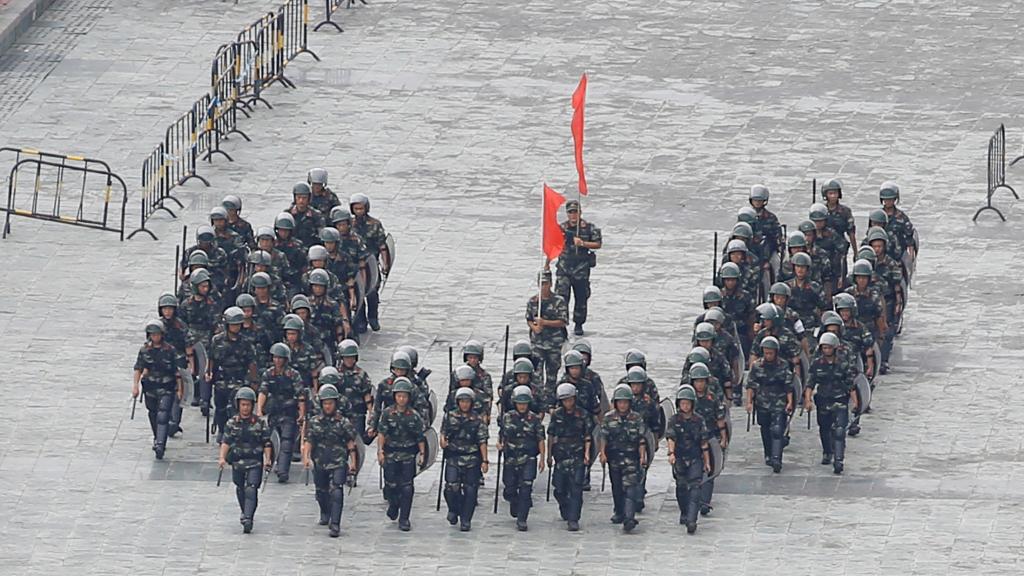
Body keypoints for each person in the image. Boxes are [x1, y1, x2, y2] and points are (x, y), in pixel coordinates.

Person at [302, 383, 359, 537]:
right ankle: (325, 512)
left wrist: (353, 463)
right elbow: (309, 440)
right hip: (320, 461)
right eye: (325, 403)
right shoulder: (314, 422)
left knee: (337, 491)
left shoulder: (343, 422)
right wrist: (306, 457)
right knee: (321, 492)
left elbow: (351, 443)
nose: (328, 406)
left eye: (331, 403)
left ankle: (335, 523)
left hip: (338, 461)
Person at [218, 387, 272, 534]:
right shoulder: (231, 423)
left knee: (251, 488)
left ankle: (249, 517)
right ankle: (244, 511)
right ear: (238, 405)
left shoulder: (260, 423)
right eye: (243, 404)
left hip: (255, 461)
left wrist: (268, 459)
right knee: (241, 488)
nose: (245, 408)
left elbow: (267, 442)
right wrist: (222, 457)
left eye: (248, 405)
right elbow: (226, 441)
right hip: (238, 462)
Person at [376, 377, 426, 531]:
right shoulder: (387, 413)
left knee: (407, 488)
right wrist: (380, 451)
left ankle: (404, 518)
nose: (401, 399)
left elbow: (420, 437)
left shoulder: (414, 416)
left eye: (404, 396)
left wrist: (422, 454)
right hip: (391, 454)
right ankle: (393, 505)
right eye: (399, 396)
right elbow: (382, 433)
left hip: (407, 455)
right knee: (391, 485)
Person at [803, 332, 857, 474]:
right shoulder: (816, 364)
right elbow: (810, 384)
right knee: (825, 428)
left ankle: (839, 460)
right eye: (824, 348)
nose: (826, 350)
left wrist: (856, 403)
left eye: (829, 347)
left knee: (839, 431)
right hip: (823, 401)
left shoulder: (843, 364)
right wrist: (807, 400)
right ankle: (827, 451)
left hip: (840, 400)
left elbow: (850, 384)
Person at [132, 320, 185, 459]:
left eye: (157, 334)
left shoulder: (170, 350)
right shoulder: (144, 351)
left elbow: (177, 372)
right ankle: (157, 437)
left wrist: (180, 389)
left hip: (166, 387)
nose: (155, 337)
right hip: (150, 387)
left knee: (163, 414)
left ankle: (160, 444)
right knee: (153, 413)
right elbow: (138, 368)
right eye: (152, 334)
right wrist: (135, 386)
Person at [600, 384, 648, 532]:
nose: (622, 405)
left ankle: (629, 517)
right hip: (614, 459)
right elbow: (603, 437)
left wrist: (642, 455)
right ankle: (619, 512)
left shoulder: (637, 418)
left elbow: (641, 439)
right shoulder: (608, 418)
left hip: (631, 459)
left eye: (625, 402)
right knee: (617, 488)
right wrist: (602, 453)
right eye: (620, 402)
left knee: (630, 488)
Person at [440, 387, 489, 532]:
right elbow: (443, 433)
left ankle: (466, 518)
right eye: (462, 401)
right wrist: (443, 441)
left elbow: (482, 441)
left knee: (470, 490)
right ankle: (454, 509)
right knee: (451, 487)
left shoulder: (478, 419)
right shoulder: (450, 416)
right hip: (454, 456)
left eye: (467, 401)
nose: (464, 404)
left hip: (472, 458)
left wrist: (485, 460)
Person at [207, 307, 259, 443]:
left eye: (237, 324)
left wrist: (254, 381)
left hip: (239, 379)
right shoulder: (217, 340)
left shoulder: (246, 342)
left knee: (235, 407)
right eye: (233, 324)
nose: (235, 327)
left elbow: (252, 362)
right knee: (220, 407)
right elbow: (211, 358)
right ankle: (221, 429)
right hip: (221, 379)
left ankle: (233, 431)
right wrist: (209, 373)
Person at [257, 342, 306, 482]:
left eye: (280, 358)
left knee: (286, 442)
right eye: (275, 357)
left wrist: (301, 414)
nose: (277, 361)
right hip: (274, 413)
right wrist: (259, 410)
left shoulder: (293, 375)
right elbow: (263, 391)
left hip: (289, 413)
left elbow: (301, 396)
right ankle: (272, 463)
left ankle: (283, 470)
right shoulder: (268, 374)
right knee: (272, 440)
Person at [498, 385, 546, 531]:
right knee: (509, 487)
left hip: (528, 458)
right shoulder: (507, 417)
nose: (522, 406)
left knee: (526, 487)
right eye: (520, 403)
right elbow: (502, 434)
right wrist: (500, 444)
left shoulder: (535, 420)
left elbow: (540, 440)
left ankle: (522, 518)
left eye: (525, 403)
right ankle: (514, 502)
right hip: (511, 457)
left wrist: (543, 458)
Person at [547, 383, 593, 531]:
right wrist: (548, 455)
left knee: (576, 488)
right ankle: (564, 506)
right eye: (565, 400)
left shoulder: (583, 414)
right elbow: (551, 435)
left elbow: (588, 435)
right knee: (559, 488)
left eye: (570, 399)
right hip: (560, 455)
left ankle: (574, 519)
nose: (568, 403)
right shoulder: (557, 415)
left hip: (577, 454)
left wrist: (587, 454)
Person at [666, 384, 710, 534]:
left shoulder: (699, 420)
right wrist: (671, 453)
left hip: (695, 458)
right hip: (680, 459)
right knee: (681, 488)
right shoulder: (674, 420)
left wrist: (707, 461)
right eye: (682, 403)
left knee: (695, 488)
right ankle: (684, 512)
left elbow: (704, 442)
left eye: (687, 403)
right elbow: (671, 437)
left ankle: (692, 520)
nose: (685, 406)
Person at [745, 336, 793, 473]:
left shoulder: (783, 365)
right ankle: (768, 454)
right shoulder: (757, 366)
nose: (768, 355)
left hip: (779, 400)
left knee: (777, 430)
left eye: (771, 353)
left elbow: (789, 385)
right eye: (766, 352)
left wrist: (790, 402)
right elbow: (751, 385)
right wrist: (749, 402)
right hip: (762, 402)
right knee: (765, 429)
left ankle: (777, 458)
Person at [556, 199, 602, 336]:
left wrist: (583, 243)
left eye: (575, 212)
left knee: (581, 297)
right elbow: (554, 245)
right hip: (564, 268)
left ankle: (579, 323)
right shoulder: (562, 228)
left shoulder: (588, 228)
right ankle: (561, 323)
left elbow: (598, 243)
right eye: (570, 212)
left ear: (580, 212)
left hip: (581, 268)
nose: (573, 215)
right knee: (561, 297)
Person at [689, 364, 727, 515]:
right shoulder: (687, 398)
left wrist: (723, 439)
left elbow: (720, 419)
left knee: (709, 470)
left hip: (710, 437)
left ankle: (705, 502)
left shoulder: (712, 398)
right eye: (696, 381)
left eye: (702, 381)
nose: (699, 384)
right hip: (692, 441)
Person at [349, 193, 390, 333]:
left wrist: (385, 264)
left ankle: (373, 316)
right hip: (356, 266)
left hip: (370, 266)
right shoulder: (350, 225)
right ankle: (361, 320)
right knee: (359, 292)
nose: (358, 211)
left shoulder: (375, 225)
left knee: (372, 292)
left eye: (361, 208)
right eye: (356, 209)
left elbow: (383, 246)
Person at [525, 269, 569, 393]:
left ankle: (549, 398)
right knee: (536, 375)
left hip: (554, 344)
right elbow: (529, 319)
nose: (543, 286)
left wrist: (545, 322)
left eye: (546, 283)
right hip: (537, 343)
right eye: (541, 284)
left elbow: (563, 321)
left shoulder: (558, 301)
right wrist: (534, 327)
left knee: (552, 374)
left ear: (550, 284)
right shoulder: (533, 301)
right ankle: (539, 397)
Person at [335, 339, 374, 443]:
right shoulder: (335, 374)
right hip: (340, 415)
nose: (349, 360)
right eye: (347, 357)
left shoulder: (361, 374)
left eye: (352, 357)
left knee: (357, 443)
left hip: (357, 415)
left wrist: (371, 412)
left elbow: (367, 394)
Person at [820, 179, 857, 271]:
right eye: (830, 193)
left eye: (835, 193)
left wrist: (856, 252)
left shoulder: (845, 212)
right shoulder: (821, 211)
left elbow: (851, 233)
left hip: (839, 249)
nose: (833, 196)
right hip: (823, 248)